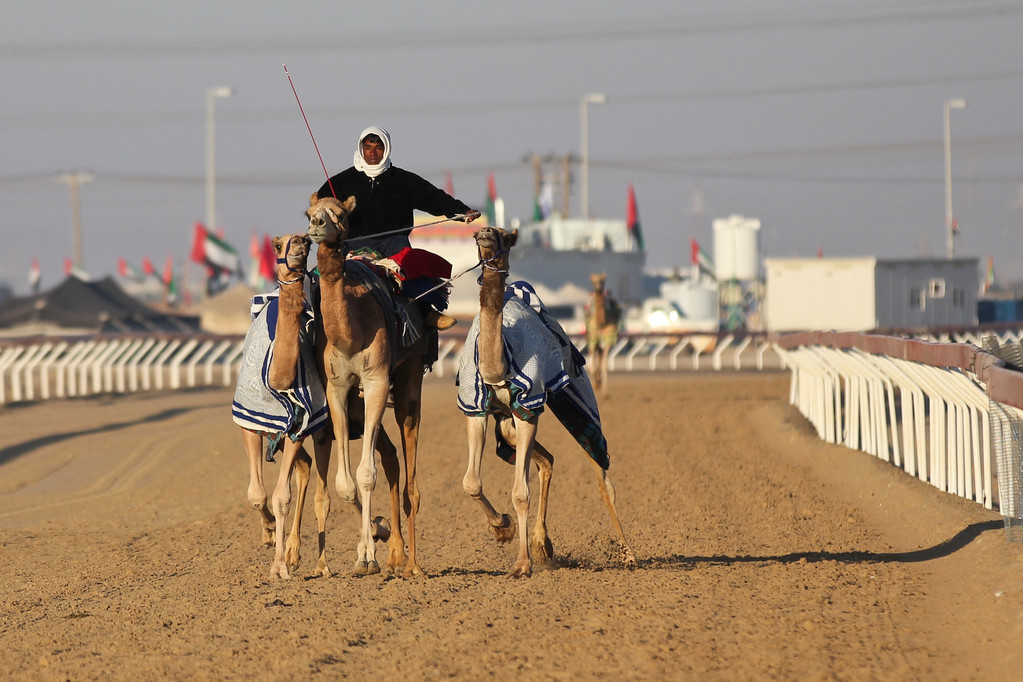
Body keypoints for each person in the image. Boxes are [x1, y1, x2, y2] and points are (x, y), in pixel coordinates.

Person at [315, 126, 480, 329]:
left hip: (393, 244)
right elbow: (321, 208)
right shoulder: (340, 183)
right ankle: (312, 320)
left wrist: (461, 211)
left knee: (412, 267)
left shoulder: (404, 181)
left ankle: (426, 313)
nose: (373, 153)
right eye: (368, 147)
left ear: (387, 149)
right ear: (361, 149)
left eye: (378, 147)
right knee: (319, 277)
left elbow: (433, 198)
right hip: (352, 245)